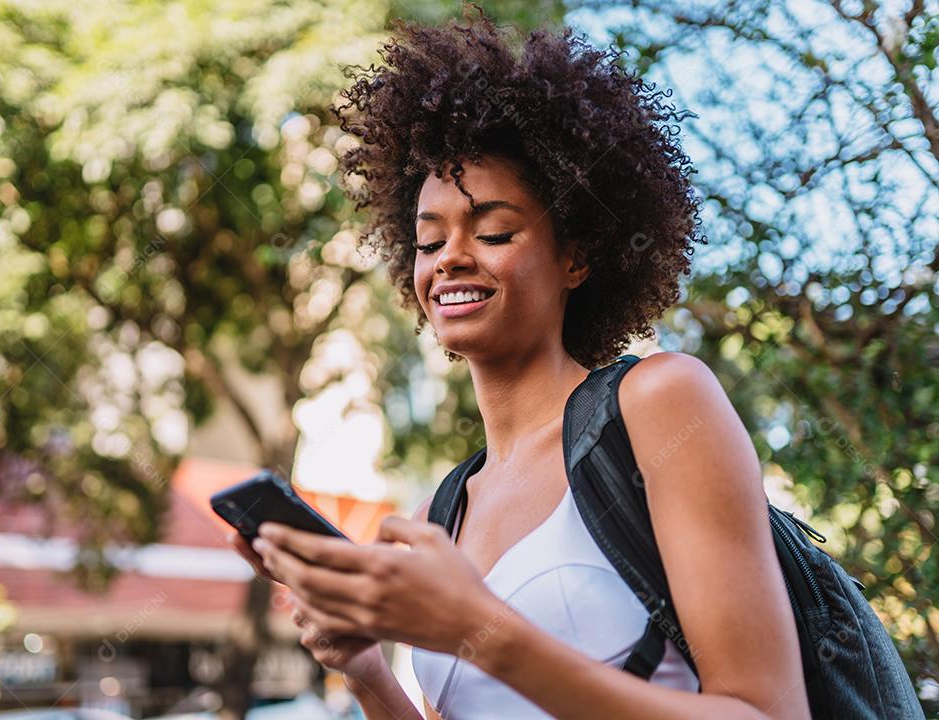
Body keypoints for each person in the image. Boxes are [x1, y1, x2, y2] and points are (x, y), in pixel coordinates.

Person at [229, 4, 811, 718]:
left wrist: (477, 629)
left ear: (576, 254)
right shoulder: (436, 517)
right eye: (428, 240)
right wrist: (368, 674)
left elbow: (768, 711)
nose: (451, 260)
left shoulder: (659, 406)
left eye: (495, 229)